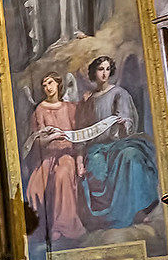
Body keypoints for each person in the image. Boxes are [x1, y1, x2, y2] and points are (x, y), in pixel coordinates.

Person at [75, 56, 160, 232]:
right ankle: (105, 219)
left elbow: (129, 121)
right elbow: (81, 132)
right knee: (97, 171)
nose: (104, 73)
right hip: (96, 148)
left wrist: (124, 124)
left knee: (132, 156)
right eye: (100, 69)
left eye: (107, 69)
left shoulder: (119, 93)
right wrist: (79, 161)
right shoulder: (87, 100)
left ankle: (138, 210)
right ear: (94, 73)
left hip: (119, 144)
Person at [23, 71, 87, 248]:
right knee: (34, 188)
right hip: (47, 157)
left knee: (62, 176)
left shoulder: (70, 108)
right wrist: (52, 137)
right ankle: (40, 231)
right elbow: (37, 140)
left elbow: (79, 137)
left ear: (58, 84)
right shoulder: (40, 110)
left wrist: (80, 162)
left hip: (67, 155)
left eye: (50, 83)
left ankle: (64, 227)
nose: (47, 87)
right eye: (44, 85)